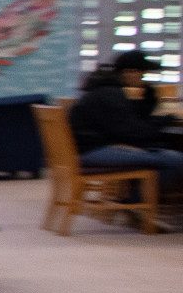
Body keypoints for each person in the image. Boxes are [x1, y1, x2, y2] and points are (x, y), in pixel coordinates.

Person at [70, 50, 183, 193]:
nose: (144, 79)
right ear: (130, 72)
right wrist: (167, 119)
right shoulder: (111, 95)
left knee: (164, 152)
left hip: (88, 148)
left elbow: (130, 124)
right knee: (176, 160)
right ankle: (136, 201)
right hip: (93, 151)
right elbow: (134, 132)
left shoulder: (105, 89)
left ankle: (136, 202)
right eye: (142, 74)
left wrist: (147, 99)